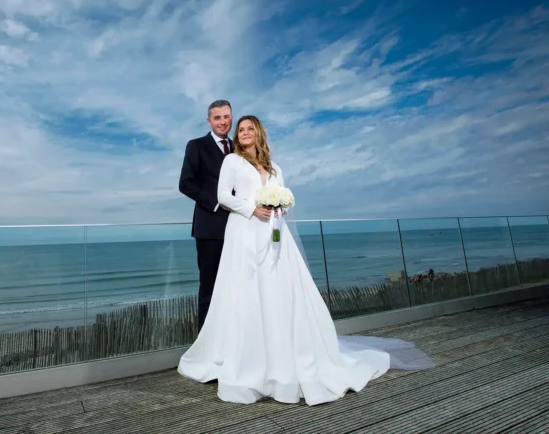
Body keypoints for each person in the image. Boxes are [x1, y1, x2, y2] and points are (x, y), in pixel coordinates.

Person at [178, 115, 434, 405]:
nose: (245, 132)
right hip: (245, 231)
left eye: (250, 128)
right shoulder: (233, 162)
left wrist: (279, 208)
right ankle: (251, 357)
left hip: (275, 234)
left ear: (259, 133)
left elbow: (283, 196)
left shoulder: (275, 167)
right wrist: (252, 208)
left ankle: (286, 351)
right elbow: (224, 196)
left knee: (280, 290)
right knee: (247, 291)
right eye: (242, 129)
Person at [178, 99, 234, 331]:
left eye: (227, 117)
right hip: (210, 228)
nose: (223, 122)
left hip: (240, 228)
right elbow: (186, 184)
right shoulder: (196, 145)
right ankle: (205, 347)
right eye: (217, 117)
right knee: (209, 291)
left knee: (236, 288)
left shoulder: (238, 147)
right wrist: (217, 204)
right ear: (209, 121)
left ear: (232, 118)